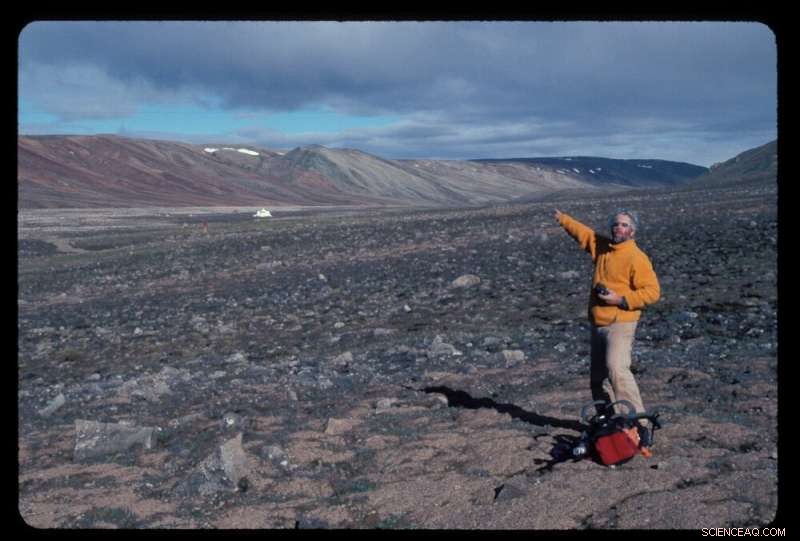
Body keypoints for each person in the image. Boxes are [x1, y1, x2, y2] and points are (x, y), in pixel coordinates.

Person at [554, 208, 661, 448]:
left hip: (621, 321)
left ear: (632, 231)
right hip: (598, 322)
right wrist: (563, 219)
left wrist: (621, 299)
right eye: (615, 224)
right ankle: (611, 422)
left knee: (617, 369)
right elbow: (584, 234)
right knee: (598, 379)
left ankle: (641, 426)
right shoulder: (602, 247)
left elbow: (653, 292)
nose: (618, 228)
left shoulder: (636, 257)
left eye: (624, 225)